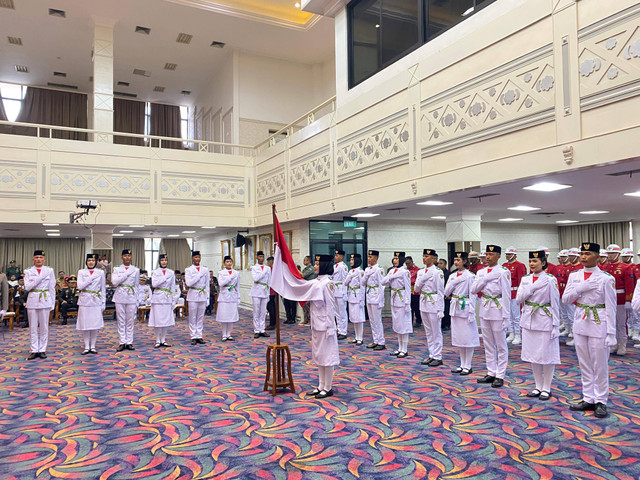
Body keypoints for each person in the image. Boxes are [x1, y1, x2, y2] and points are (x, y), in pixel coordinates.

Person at [563, 242, 616, 418]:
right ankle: (588, 398)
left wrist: (611, 333)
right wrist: (580, 288)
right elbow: (565, 299)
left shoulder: (606, 278)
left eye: (588, 253)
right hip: (580, 320)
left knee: (599, 364)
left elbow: (611, 307)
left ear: (598, 257)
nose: (584, 257)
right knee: (584, 363)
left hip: (598, 321)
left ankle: (601, 400)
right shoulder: (574, 276)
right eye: (582, 253)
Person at [517, 250, 561, 401]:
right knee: (533, 355)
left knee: (546, 355)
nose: (532, 264)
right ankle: (537, 386)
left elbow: (555, 303)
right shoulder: (526, 279)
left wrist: (556, 324)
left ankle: (547, 387)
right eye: (530, 261)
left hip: (544, 319)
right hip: (529, 318)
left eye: (535, 261)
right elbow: (519, 298)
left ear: (543, 263)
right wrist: (533, 287)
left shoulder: (550, 279)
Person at [470, 244, 511, 388]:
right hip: (485, 307)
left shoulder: (503, 271)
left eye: (491, 254)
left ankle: (500, 374)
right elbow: (473, 289)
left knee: (500, 343)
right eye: (487, 254)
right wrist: (486, 279)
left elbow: (506, 295)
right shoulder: (481, 272)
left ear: (498, 256)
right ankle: (491, 371)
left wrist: (506, 316)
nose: (488, 257)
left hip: (498, 308)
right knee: (488, 343)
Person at [445, 252, 478, 375]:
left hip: (465, 305)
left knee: (467, 337)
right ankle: (462, 364)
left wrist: (471, 312)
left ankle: (468, 365)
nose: (456, 262)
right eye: (455, 259)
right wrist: (454, 282)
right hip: (455, 306)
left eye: (458, 259)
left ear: (464, 261)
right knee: (459, 337)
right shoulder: (452, 276)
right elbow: (446, 292)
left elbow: (473, 294)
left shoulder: (470, 276)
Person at [23, 250, 56, 360]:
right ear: (33, 259)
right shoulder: (28, 271)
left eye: (41, 258)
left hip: (45, 299)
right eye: (36, 257)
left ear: (44, 259)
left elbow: (52, 287)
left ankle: (42, 349)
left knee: (44, 327)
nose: (38, 259)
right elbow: (27, 287)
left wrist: (52, 302)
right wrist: (39, 278)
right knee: (32, 327)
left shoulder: (49, 270)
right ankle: (34, 349)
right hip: (32, 299)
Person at [414, 249, 445, 366]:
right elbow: (416, 289)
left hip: (434, 303)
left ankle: (438, 356)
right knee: (428, 332)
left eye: (427, 256)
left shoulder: (437, 272)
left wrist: (440, 309)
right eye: (423, 256)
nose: (424, 258)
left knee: (436, 331)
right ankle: (431, 354)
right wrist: (423, 278)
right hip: (423, 302)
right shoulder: (421, 272)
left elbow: (440, 291)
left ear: (433, 258)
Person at [603, 244, 634, 356]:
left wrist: (628, 300)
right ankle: (613, 344)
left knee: (621, 323)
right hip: (607, 298)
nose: (610, 256)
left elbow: (629, 285)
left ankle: (622, 345)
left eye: (612, 253)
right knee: (610, 323)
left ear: (618, 254)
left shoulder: (626, 267)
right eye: (609, 254)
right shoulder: (605, 268)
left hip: (620, 298)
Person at [381, 251, 412, 358]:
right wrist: (391, 276)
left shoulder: (405, 272)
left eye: (397, 258)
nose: (395, 260)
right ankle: (399, 347)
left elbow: (408, 288)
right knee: (398, 325)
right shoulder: (392, 271)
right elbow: (383, 282)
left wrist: (408, 303)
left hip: (402, 298)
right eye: (394, 258)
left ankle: (405, 349)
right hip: (394, 298)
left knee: (404, 325)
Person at [76, 254, 106, 354]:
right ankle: (86, 346)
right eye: (89, 260)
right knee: (85, 324)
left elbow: (103, 288)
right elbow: (80, 286)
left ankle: (92, 346)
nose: (91, 262)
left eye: (93, 260)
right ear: (86, 261)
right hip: (84, 299)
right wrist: (90, 279)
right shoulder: (81, 272)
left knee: (94, 324)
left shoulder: (100, 272)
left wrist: (103, 302)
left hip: (96, 299)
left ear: (96, 261)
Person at [111, 249, 140, 352]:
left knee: (130, 320)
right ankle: (122, 342)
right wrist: (126, 274)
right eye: (125, 256)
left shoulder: (136, 270)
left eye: (129, 255)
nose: (127, 257)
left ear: (131, 257)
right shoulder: (117, 268)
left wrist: (137, 299)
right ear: (122, 257)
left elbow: (137, 285)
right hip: (120, 296)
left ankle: (129, 342)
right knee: (121, 320)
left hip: (131, 296)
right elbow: (114, 282)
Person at [149, 254, 176, 348]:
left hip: (167, 297)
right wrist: (164, 278)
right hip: (157, 297)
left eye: (165, 260)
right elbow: (154, 284)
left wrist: (173, 299)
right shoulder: (155, 272)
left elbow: (172, 286)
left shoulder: (171, 272)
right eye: (162, 260)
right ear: (159, 261)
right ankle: (157, 339)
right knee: (157, 319)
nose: (164, 262)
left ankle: (163, 339)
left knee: (165, 320)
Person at [185, 251, 210, 345]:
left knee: (200, 316)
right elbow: (189, 283)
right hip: (193, 294)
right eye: (195, 257)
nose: (197, 259)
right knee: (192, 316)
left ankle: (199, 335)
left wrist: (207, 297)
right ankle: (193, 336)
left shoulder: (205, 269)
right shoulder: (188, 270)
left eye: (198, 257)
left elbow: (207, 284)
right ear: (192, 258)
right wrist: (198, 276)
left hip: (202, 294)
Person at [503, 247, 527, 345]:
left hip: (515, 292)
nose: (507, 256)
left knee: (516, 315)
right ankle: (511, 333)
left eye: (509, 254)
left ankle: (518, 334)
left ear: (514, 255)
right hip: (506, 293)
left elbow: (522, 281)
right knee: (508, 315)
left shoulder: (520, 265)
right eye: (506, 254)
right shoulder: (504, 266)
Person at [363, 250, 386, 351]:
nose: (369, 259)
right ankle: (375, 340)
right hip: (369, 295)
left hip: (376, 295)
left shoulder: (379, 270)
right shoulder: (367, 269)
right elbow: (363, 283)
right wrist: (366, 275)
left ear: (376, 258)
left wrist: (381, 300)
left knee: (377, 320)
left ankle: (381, 341)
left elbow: (382, 285)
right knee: (372, 320)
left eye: (371, 257)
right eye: (368, 257)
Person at [217, 255, 240, 341]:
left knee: (231, 315)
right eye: (227, 262)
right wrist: (229, 278)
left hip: (233, 295)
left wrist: (238, 297)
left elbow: (238, 286)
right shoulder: (221, 273)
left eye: (230, 261)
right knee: (224, 315)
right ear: (224, 263)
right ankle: (224, 334)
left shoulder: (236, 273)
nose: (229, 263)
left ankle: (229, 334)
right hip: (224, 295)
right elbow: (221, 283)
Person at [345, 253, 366, 345]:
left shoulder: (360, 272)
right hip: (351, 295)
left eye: (352, 260)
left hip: (357, 295)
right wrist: (349, 277)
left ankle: (360, 338)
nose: (351, 261)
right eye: (350, 260)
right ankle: (356, 337)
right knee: (353, 317)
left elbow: (362, 286)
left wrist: (362, 299)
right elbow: (345, 283)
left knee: (359, 318)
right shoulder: (351, 272)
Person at [250, 250, 271, 338]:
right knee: (256, 311)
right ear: (257, 257)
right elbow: (256, 278)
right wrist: (263, 273)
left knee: (263, 311)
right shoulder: (254, 267)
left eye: (262, 257)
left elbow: (269, 281)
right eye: (260, 257)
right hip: (256, 290)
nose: (261, 258)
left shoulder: (268, 268)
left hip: (265, 290)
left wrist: (268, 293)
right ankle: (256, 329)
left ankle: (262, 329)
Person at [332, 249, 349, 340]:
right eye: (335, 255)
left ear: (342, 257)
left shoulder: (343, 267)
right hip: (335, 291)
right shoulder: (335, 266)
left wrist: (344, 293)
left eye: (337, 255)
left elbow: (345, 281)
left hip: (341, 291)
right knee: (337, 313)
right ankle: (339, 329)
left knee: (342, 313)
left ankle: (343, 331)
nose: (336, 257)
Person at [405, 256, 422, 328]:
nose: (407, 265)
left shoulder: (417, 270)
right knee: (409, 307)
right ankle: (410, 322)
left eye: (409, 263)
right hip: (408, 292)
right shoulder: (405, 270)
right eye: (406, 264)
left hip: (416, 291)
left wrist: (409, 282)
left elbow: (418, 280)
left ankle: (418, 320)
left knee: (416, 307)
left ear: (412, 262)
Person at [300, 255, 316, 325]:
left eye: (305, 260)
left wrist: (296, 270)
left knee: (309, 305)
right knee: (305, 305)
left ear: (308, 261)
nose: (304, 261)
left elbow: (303, 275)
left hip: (310, 289)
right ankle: (305, 319)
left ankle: (310, 320)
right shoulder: (305, 268)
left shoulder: (311, 268)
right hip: (305, 289)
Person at [437, 258, 451, 330]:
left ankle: (447, 324)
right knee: (440, 309)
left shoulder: (448, 273)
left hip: (446, 295)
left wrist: (450, 295)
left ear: (445, 265)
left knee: (446, 310)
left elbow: (450, 285)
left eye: (441, 263)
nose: (439, 265)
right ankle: (441, 324)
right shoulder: (437, 273)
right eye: (438, 263)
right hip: (439, 295)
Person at [265, 256, 277, 330]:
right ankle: (273, 322)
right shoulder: (273, 269)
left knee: (271, 307)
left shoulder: (272, 270)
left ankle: (273, 323)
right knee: (271, 307)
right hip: (271, 290)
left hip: (271, 291)